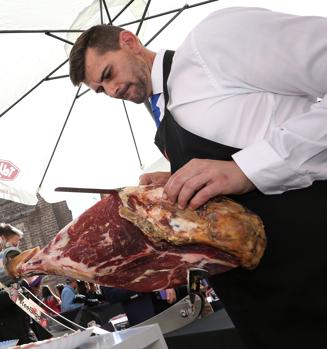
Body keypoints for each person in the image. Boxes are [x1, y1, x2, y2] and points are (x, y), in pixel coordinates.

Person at [68, 7, 327, 349]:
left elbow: (244, 165)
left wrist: (246, 169)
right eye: (101, 89)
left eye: (109, 73)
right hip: (264, 310)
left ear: (129, 41)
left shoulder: (214, 40)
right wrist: (174, 183)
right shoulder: (164, 119)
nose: (113, 90)